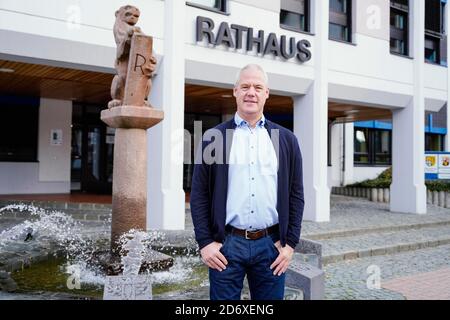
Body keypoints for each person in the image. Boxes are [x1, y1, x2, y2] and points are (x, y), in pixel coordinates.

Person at [190, 64, 304, 300]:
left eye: (257, 87)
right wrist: (205, 243)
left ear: (266, 93)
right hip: (226, 245)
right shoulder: (215, 138)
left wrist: (290, 244)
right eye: (245, 86)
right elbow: (199, 195)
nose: (251, 92)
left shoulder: (286, 140)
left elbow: (296, 195)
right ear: (235, 91)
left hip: (271, 247)